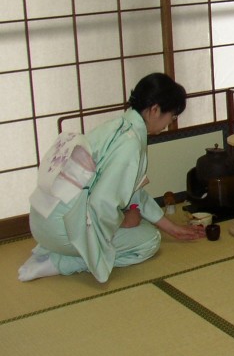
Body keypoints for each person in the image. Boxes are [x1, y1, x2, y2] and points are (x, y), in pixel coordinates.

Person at [18, 73, 206, 283]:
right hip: (64, 228)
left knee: (140, 223)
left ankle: (54, 252)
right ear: (155, 110)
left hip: (43, 221)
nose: (170, 123)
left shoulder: (116, 126)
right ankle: (61, 262)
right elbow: (103, 203)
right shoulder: (130, 142)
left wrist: (172, 228)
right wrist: (124, 221)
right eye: (172, 116)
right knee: (149, 240)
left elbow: (133, 191)